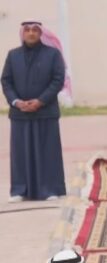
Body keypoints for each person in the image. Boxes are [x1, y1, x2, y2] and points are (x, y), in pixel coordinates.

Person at [3, 21, 68, 202]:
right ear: (23, 33)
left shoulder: (53, 54)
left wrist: (40, 101)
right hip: (20, 113)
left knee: (47, 151)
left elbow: (58, 79)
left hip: (45, 111)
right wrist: (16, 102)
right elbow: (6, 81)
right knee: (20, 153)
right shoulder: (13, 55)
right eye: (27, 30)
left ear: (41, 33)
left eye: (34, 30)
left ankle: (51, 189)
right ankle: (20, 190)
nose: (31, 33)